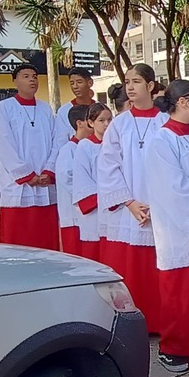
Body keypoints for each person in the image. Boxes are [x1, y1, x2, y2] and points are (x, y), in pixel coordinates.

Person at [98, 64, 169, 334]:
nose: (130, 87)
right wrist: (129, 202)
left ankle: (161, 322)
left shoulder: (165, 121)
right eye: (127, 81)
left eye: (136, 81)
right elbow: (108, 166)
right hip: (130, 207)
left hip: (161, 207)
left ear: (150, 86)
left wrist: (160, 204)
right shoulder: (119, 124)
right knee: (132, 270)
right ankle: (131, 322)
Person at [147, 79, 189, 373]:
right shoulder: (162, 140)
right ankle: (174, 349)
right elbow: (174, 189)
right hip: (177, 226)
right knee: (178, 293)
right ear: (182, 102)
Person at [0, 64, 59, 250]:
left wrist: (48, 171)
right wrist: (26, 175)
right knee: (18, 241)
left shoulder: (45, 108)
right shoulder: (5, 107)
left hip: (44, 181)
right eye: (26, 76)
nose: (32, 80)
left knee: (45, 240)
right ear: (15, 81)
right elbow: (4, 143)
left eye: (35, 76)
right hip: (18, 184)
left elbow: (56, 141)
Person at [72, 103, 113, 262]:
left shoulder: (116, 145)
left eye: (109, 119)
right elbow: (81, 178)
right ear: (90, 122)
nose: (106, 124)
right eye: (101, 120)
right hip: (95, 210)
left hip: (115, 207)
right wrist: (104, 197)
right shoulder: (85, 146)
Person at [55, 104, 92, 256]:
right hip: (74, 216)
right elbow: (67, 179)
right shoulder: (68, 150)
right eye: (90, 120)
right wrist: (89, 196)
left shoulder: (92, 146)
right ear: (79, 123)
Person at [55, 68, 95, 149]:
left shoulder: (100, 108)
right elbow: (60, 141)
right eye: (72, 83)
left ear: (90, 83)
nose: (75, 86)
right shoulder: (64, 111)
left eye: (79, 82)